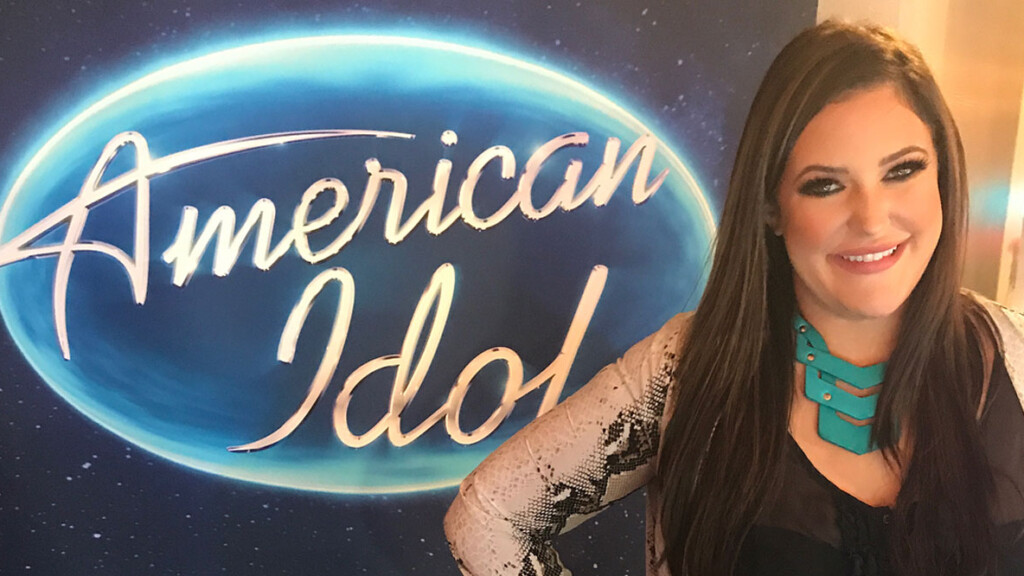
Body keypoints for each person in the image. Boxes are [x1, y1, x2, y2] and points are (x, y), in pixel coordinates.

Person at [444, 20, 1024, 576]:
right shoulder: (687, 370)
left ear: (942, 176)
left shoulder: (1014, 355)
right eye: (825, 185)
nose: (871, 219)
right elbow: (489, 520)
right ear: (771, 208)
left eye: (902, 171)